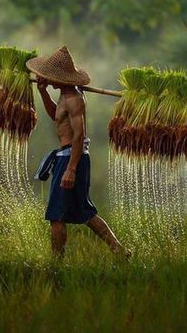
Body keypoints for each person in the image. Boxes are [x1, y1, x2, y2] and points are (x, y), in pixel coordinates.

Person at [26, 46, 131, 259]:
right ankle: (120, 251)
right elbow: (56, 116)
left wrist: (71, 170)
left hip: (72, 159)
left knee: (56, 215)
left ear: (62, 77)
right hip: (69, 157)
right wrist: (43, 92)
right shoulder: (65, 96)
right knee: (85, 212)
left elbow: (78, 135)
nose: (48, 79)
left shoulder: (74, 98)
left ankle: (56, 264)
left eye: (51, 77)